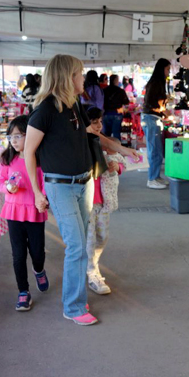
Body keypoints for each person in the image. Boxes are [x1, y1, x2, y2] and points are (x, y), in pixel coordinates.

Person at [24, 54, 140, 326]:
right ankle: (73, 306)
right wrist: (37, 192)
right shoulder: (44, 111)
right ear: (67, 77)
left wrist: (122, 149)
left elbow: (92, 135)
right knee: (76, 246)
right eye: (79, 73)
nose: (84, 79)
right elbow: (28, 152)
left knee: (80, 245)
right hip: (60, 187)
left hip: (84, 183)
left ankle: (76, 297)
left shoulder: (75, 104)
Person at [0, 115, 49, 312]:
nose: (14, 141)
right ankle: (23, 291)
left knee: (37, 252)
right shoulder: (7, 158)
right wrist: (8, 188)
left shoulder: (40, 159)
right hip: (13, 212)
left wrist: (43, 198)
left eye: (18, 136)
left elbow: (45, 183)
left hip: (34, 211)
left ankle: (39, 270)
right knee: (18, 255)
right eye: (11, 137)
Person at [85, 108, 126, 295]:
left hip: (104, 202)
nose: (98, 125)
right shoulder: (82, 145)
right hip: (87, 202)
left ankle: (92, 264)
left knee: (102, 237)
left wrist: (117, 167)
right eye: (94, 122)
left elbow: (121, 163)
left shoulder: (106, 144)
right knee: (89, 239)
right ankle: (92, 272)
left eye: (100, 121)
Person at [141, 58, 172, 189]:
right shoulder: (156, 83)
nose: (169, 72)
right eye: (167, 69)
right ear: (161, 69)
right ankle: (152, 178)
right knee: (155, 150)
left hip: (153, 118)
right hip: (151, 118)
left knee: (157, 150)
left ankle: (156, 176)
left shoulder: (157, 82)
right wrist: (165, 112)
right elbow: (153, 103)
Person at [102, 73, 130, 138]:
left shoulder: (104, 90)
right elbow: (126, 102)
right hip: (117, 114)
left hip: (106, 113)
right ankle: (116, 145)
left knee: (106, 135)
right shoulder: (121, 91)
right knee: (116, 134)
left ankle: (107, 145)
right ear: (116, 80)